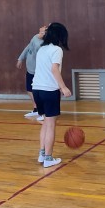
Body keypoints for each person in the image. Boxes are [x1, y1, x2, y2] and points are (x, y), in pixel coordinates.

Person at [32, 22, 71, 168]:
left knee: (46, 122)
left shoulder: (42, 49)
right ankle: (48, 158)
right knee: (51, 124)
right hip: (49, 91)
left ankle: (42, 154)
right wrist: (63, 87)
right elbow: (54, 69)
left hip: (37, 89)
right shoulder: (56, 50)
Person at [17, 25, 47, 120]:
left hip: (37, 71)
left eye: (45, 28)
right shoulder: (35, 37)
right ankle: (36, 109)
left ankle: (43, 112)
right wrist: (20, 58)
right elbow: (28, 47)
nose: (43, 26)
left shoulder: (42, 43)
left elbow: (40, 53)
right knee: (29, 90)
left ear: (45, 32)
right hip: (29, 69)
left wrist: (42, 36)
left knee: (38, 92)